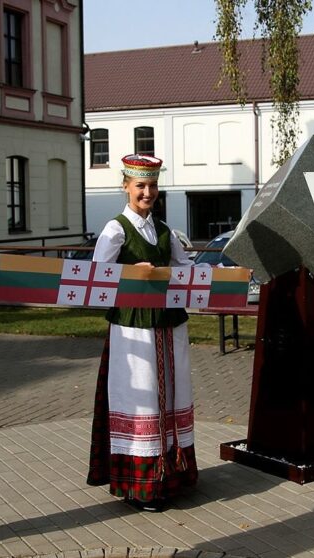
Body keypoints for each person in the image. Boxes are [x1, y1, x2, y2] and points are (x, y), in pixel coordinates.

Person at [86, 154, 198, 512]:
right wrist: (133, 271)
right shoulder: (115, 229)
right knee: (142, 396)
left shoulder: (165, 230)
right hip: (133, 326)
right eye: (140, 186)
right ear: (126, 186)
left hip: (168, 323)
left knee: (171, 393)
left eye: (152, 186)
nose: (147, 193)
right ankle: (140, 484)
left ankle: (172, 473)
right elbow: (97, 276)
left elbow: (185, 269)